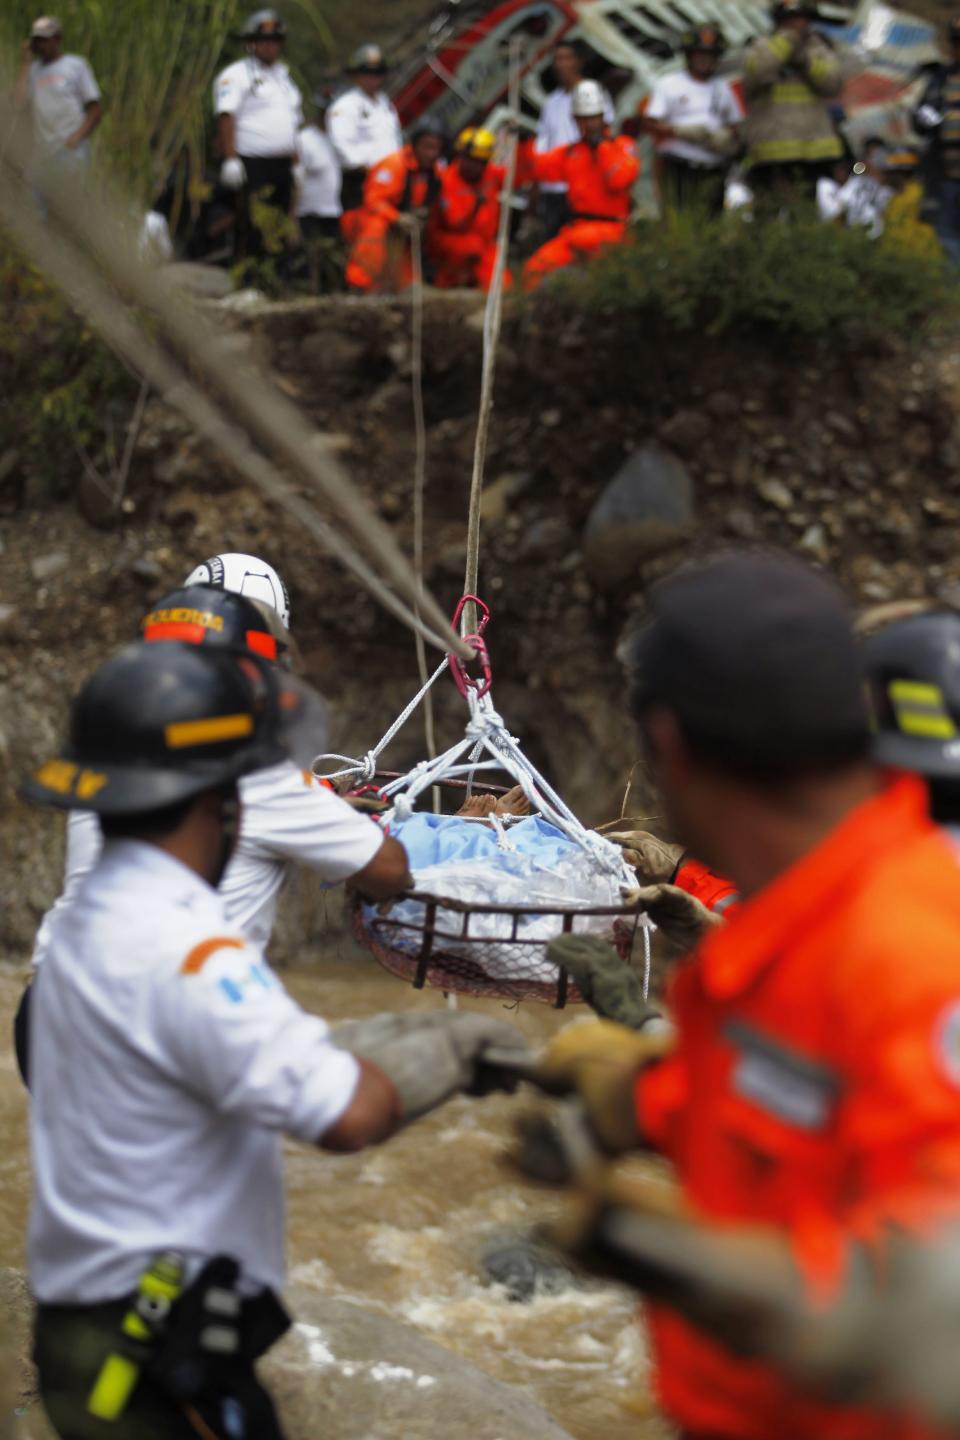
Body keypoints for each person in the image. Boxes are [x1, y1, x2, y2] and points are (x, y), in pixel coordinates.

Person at [23, 639, 530, 1439]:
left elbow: (194, 1075)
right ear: (220, 799)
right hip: (155, 1347)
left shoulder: (80, 929)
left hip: (79, 1322)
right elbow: (346, 1116)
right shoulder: (192, 950)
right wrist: (448, 1053)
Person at [529, 551, 960, 1440]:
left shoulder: (912, 950)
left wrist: (670, 1254)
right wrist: (642, 1103)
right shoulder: (787, 924)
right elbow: (793, 1115)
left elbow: (937, 1307)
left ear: (670, 743)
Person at [17, 557, 409, 1085]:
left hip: (52, 1007)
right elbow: (386, 871)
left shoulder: (113, 740)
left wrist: (316, 798)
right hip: (165, 1019)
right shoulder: (259, 773)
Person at [521, 80, 639, 290]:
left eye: (594, 117)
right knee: (534, 269)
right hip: (576, 231)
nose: (590, 124)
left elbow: (618, 180)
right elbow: (537, 168)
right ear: (575, 120)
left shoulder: (623, 146)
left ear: (603, 117)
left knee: (605, 284)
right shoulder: (571, 152)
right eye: (584, 119)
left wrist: (602, 146)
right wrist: (524, 143)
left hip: (613, 231)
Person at [213, 9, 303, 265]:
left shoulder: (284, 78)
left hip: (282, 163)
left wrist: (296, 165)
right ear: (251, 43)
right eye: (264, 41)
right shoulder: (237, 75)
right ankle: (249, 279)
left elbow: (292, 125)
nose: (270, 46)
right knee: (252, 223)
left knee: (279, 224)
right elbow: (226, 116)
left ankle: (274, 279)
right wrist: (231, 159)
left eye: (275, 41)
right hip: (252, 163)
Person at [743, 0, 843, 203]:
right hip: (771, 150)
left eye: (801, 19)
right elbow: (759, 73)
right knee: (767, 215)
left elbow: (833, 85)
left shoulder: (819, 48)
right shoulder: (761, 45)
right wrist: (785, 43)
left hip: (812, 149)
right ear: (779, 21)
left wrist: (805, 61)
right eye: (791, 20)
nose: (797, 25)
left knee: (805, 215)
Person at [643, 25, 744, 214]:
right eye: (700, 54)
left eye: (710, 55)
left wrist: (726, 139)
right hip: (678, 166)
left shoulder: (722, 88)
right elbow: (649, 123)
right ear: (689, 55)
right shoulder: (669, 84)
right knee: (677, 221)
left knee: (710, 223)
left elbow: (736, 125)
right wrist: (681, 131)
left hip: (713, 168)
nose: (705, 60)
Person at [343, 118, 446, 293]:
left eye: (436, 148)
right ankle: (360, 284)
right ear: (415, 145)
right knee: (376, 226)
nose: (431, 153)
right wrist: (398, 218)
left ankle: (409, 285)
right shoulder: (394, 165)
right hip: (365, 223)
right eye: (427, 147)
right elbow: (373, 201)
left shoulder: (435, 173)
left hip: (403, 231)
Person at [535, 40, 614, 239]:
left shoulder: (594, 93)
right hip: (554, 188)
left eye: (566, 58)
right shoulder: (551, 101)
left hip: (582, 185)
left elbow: (607, 133)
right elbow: (542, 144)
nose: (560, 64)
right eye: (557, 59)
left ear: (579, 62)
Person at [14, 15, 102, 189]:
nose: (41, 44)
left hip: (70, 151)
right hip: (43, 153)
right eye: (37, 40)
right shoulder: (32, 71)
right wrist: (25, 62)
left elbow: (95, 109)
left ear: (57, 39)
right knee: (34, 206)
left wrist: (75, 139)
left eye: (45, 39)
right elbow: (19, 101)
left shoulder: (76, 65)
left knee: (64, 208)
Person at [426, 127, 508, 291]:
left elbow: (520, 174)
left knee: (503, 286)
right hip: (449, 245)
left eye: (479, 161)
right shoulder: (446, 180)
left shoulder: (490, 175)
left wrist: (523, 146)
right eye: (469, 158)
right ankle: (447, 283)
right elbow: (455, 224)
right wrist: (475, 205)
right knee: (469, 249)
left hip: (484, 246)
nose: (473, 165)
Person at [326, 44, 403, 214]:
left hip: (392, 178)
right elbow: (342, 145)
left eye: (378, 73)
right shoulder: (346, 105)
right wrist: (369, 170)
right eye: (367, 73)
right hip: (362, 180)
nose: (373, 78)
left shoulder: (385, 103)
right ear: (355, 75)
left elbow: (395, 139)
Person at [913, 17, 960, 263]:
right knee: (948, 240)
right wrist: (939, 120)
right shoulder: (940, 80)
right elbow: (921, 116)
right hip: (945, 178)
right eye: (956, 42)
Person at [295, 93, 343, 290]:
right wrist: (292, 216)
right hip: (308, 211)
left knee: (331, 265)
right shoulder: (305, 139)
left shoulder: (338, 139)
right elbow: (296, 178)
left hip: (332, 211)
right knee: (305, 263)